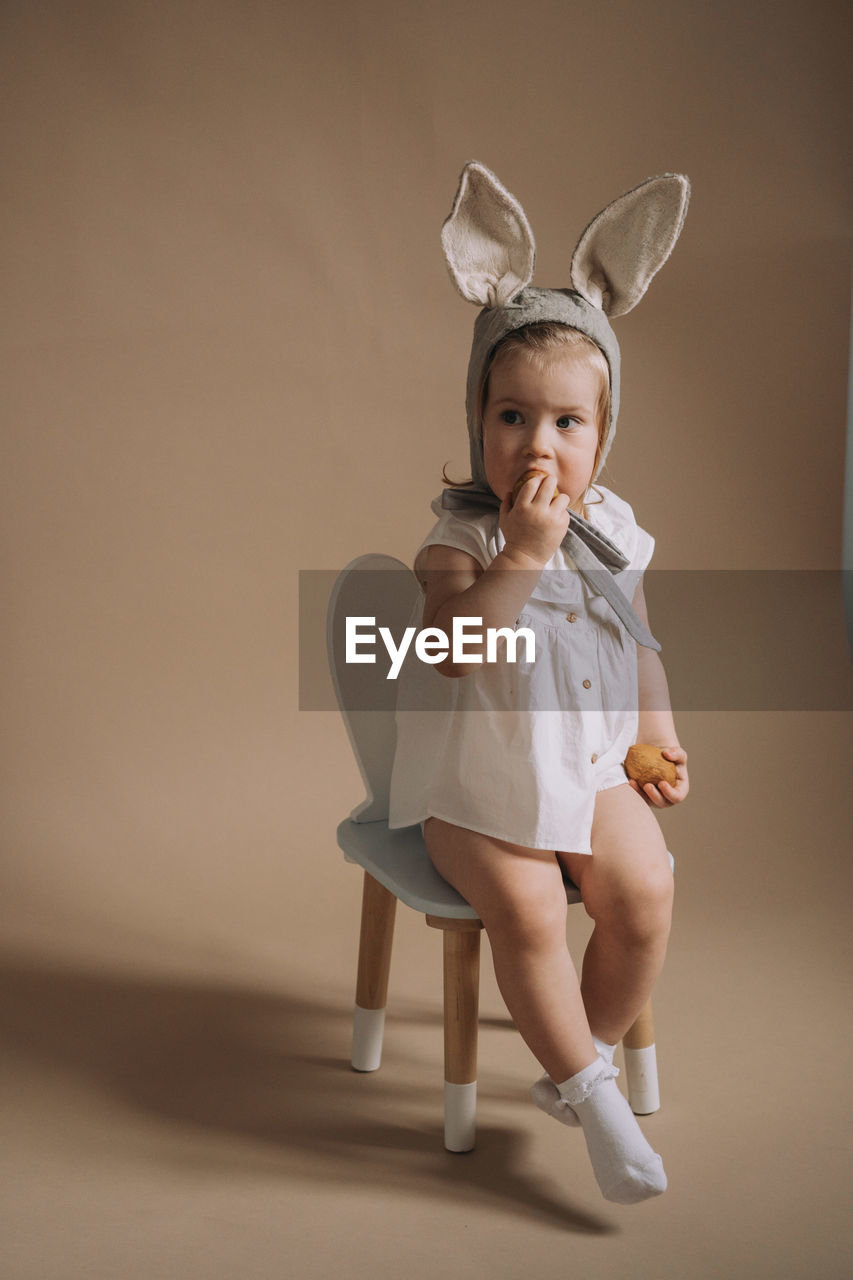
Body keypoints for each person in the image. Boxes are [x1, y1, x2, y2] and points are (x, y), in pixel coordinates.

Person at [388, 163, 690, 1205]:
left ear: (602, 436)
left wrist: (655, 732)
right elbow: (452, 651)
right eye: (512, 416)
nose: (539, 444)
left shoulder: (611, 535)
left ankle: (578, 1056)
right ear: (479, 420)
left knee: (644, 886)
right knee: (525, 904)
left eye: (568, 422)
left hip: (586, 765)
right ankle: (599, 1100)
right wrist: (517, 555)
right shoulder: (461, 538)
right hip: (473, 785)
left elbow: (638, 637)